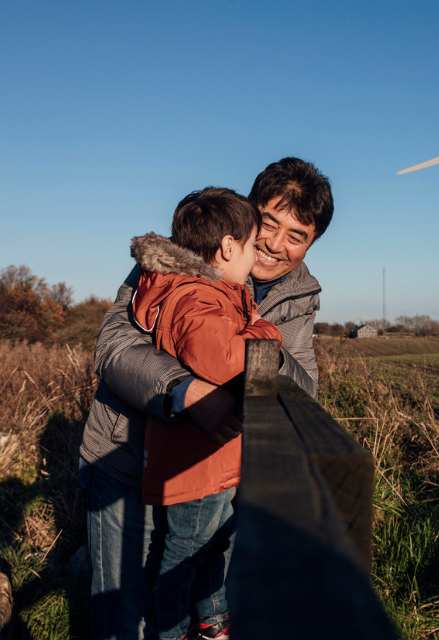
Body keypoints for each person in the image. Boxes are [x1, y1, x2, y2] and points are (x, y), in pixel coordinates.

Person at [80, 157, 334, 639]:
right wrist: (187, 392)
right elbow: (113, 349)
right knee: (123, 615)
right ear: (248, 212)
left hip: (213, 473)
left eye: (296, 236)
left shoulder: (300, 296)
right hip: (125, 462)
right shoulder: (176, 257)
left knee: (191, 582)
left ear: (312, 242)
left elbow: (303, 389)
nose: (275, 244)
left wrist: (267, 357)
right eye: (270, 222)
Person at [131, 187, 281, 640]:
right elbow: (227, 360)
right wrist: (264, 328)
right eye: (255, 244)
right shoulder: (199, 297)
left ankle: (212, 620)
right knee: (186, 552)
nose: (259, 255)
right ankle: (174, 631)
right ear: (229, 247)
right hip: (195, 465)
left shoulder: (197, 292)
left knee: (214, 544)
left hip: (209, 459)